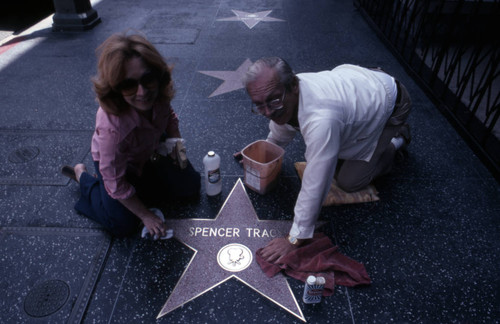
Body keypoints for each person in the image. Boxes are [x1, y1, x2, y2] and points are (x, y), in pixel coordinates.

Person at [241, 57, 411, 262]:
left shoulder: (322, 119)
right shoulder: (286, 93)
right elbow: (280, 127)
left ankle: (398, 139)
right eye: (260, 105)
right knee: (331, 148)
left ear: (294, 85)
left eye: (274, 100)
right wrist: (264, 152)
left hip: (390, 101)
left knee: (349, 181)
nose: (268, 112)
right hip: (361, 85)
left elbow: (317, 182)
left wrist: (294, 239)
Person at [62, 33, 200, 238]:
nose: (142, 92)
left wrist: (177, 149)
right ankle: (84, 178)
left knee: (190, 186)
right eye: (129, 85)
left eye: (147, 79)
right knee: (121, 224)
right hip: (117, 167)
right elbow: (115, 183)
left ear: (157, 76)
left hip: (150, 149)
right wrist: (145, 215)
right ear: (115, 88)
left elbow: (169, 117)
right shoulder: (112, 128)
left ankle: (141, 185)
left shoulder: (159, 93)